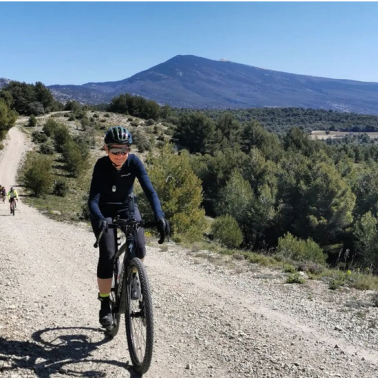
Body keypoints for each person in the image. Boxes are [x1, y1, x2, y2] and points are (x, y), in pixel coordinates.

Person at [88, 125, 170, 327]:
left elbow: (150, 191)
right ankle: (105, 302)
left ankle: (134, 276)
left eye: (124, 150)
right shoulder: (101, 166)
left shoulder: (134, 163)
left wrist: (159, 216)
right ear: (106, 150)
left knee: (140, 246)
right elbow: (93, 200)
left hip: (127, 208)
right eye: (115, 150)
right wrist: (99, 219)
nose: (119, 155)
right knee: (108, 254)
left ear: (129, 151)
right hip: (104, 211)